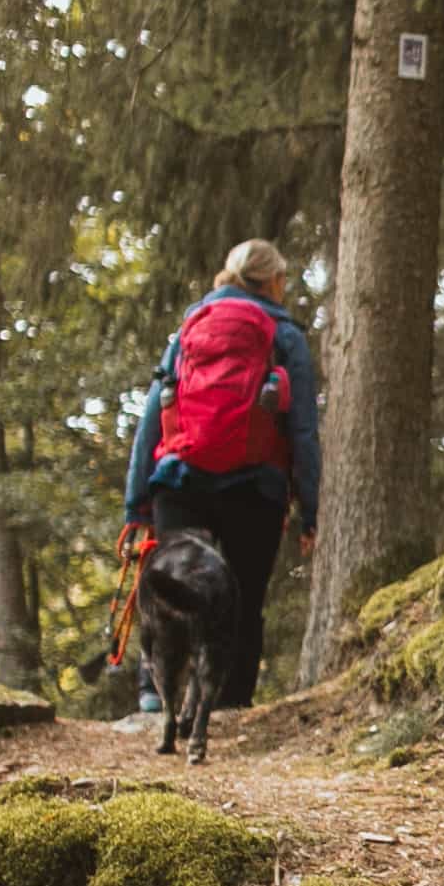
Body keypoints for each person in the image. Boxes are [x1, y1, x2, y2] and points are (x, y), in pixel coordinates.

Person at [124, 239, 320, 712]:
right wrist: (311, 510)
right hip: (256, 487)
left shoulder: (191, 326)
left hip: (182, 477)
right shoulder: (284, 335)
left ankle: (156, 697)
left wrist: (137, 502)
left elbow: (155, 411)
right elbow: (303, 429)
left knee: (172, 586)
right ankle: (229, 708)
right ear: (273, 280)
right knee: (243, 601)